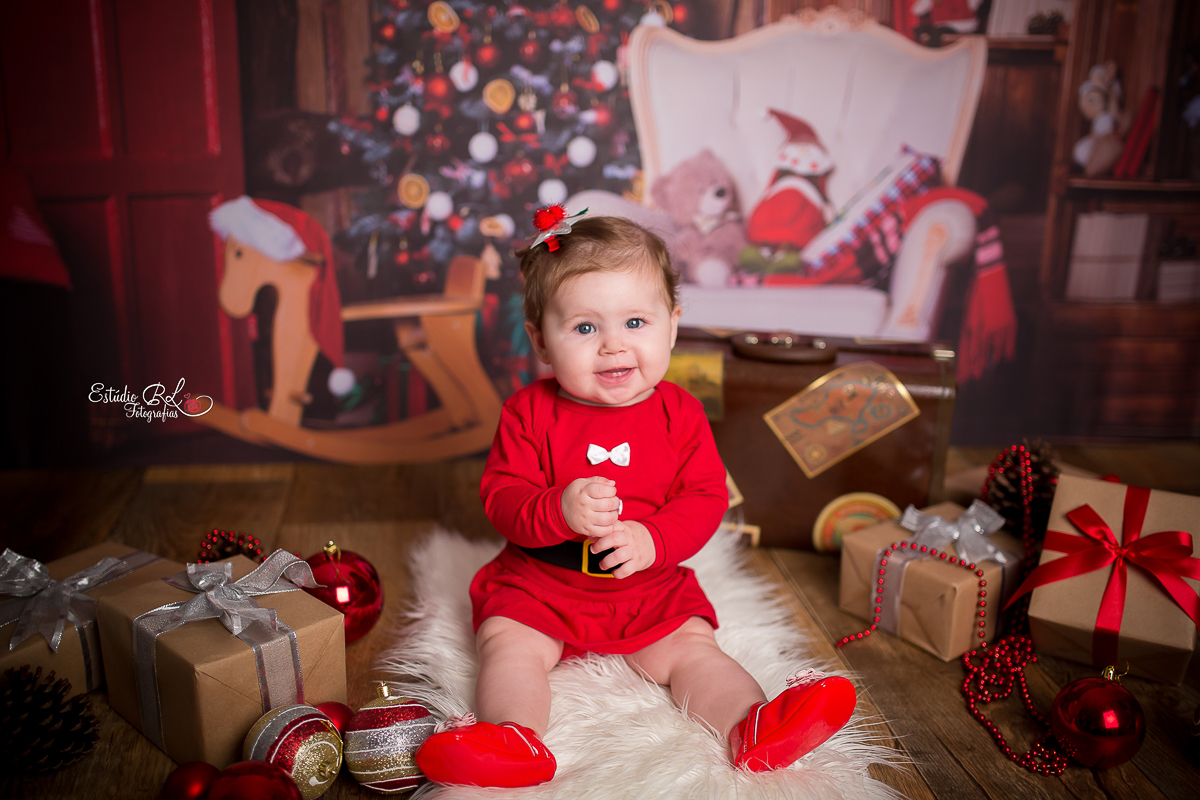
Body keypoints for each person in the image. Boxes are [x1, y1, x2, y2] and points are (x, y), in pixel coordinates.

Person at [415, 210, 856, 787]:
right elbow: (501, 497)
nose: (613, 346)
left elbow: (703, 497)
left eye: (635, 322)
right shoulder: (528, 413)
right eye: (584, 328)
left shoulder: (680, 413)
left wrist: (654, 539)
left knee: (694, 651)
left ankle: (753, 726)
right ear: (540, 340)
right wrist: (557, 508)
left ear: (672, 325)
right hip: (542, 587)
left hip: (647, 590)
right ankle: (511, 738)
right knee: (509, 646)